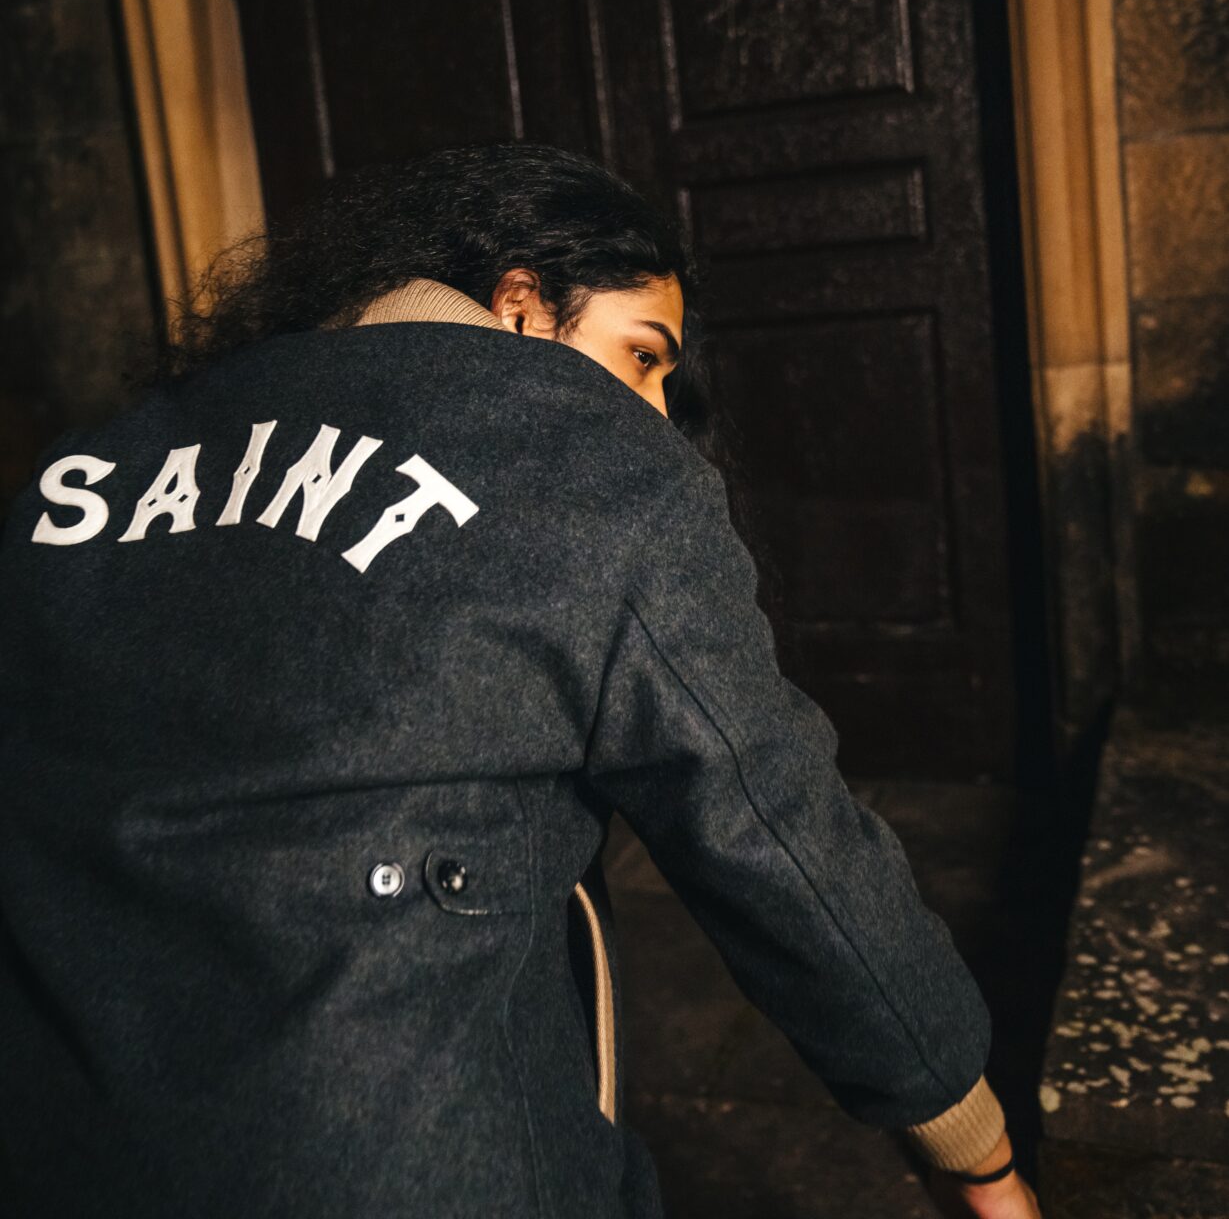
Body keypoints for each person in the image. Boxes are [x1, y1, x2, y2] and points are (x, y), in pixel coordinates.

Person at [0, 143, 1042, 1218]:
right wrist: (970, 1143)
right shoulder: (592, 464)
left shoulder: (98, 461)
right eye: (642, 355)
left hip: (61, 1147)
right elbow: (777, 834)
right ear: (521, 306)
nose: (651, 410)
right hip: (397, 1163)